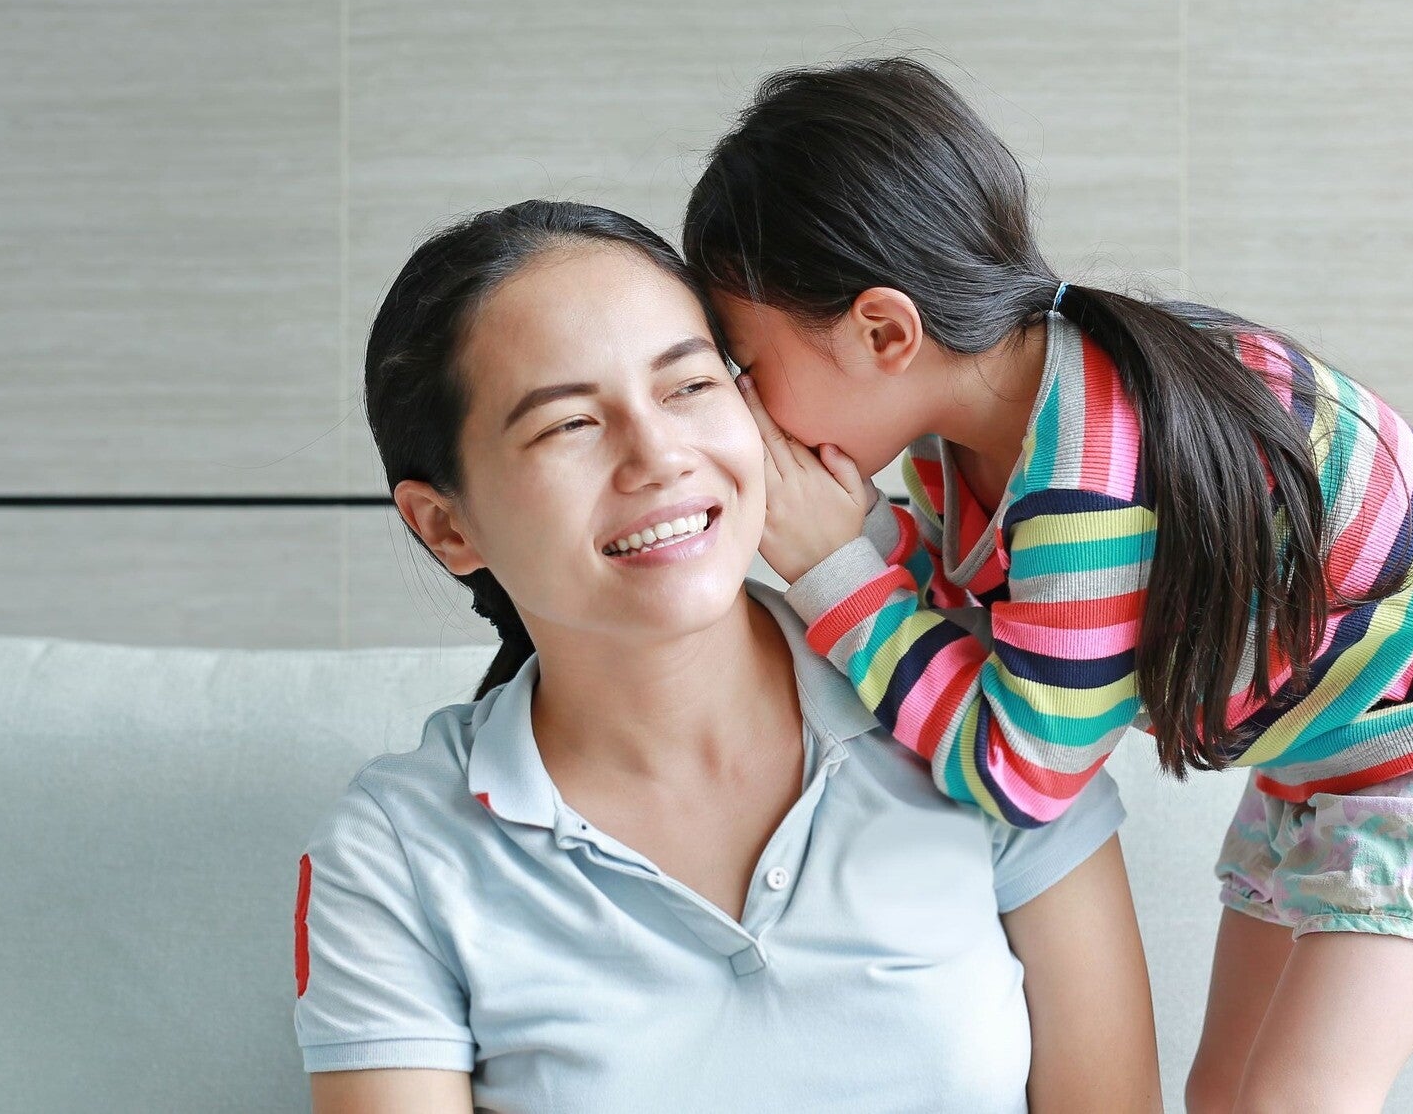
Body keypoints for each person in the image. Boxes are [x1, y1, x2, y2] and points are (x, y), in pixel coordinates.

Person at [680, 56, 1413, 1114]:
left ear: (884, 332)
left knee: (1297, 1098)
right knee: (1219, 1093)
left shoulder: (1088, 484)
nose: (741, 404)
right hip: (1333, 734)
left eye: (745, 360)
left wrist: (832, 566)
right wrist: (872, 534)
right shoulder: (973, 428)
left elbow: (1020, 768)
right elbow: (998, 632)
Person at [295, 199, 1163, 1113]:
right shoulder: (395, 854)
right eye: (568, 426)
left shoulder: (976, 713)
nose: (658, 455)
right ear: (447, 524)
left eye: (689, 387)